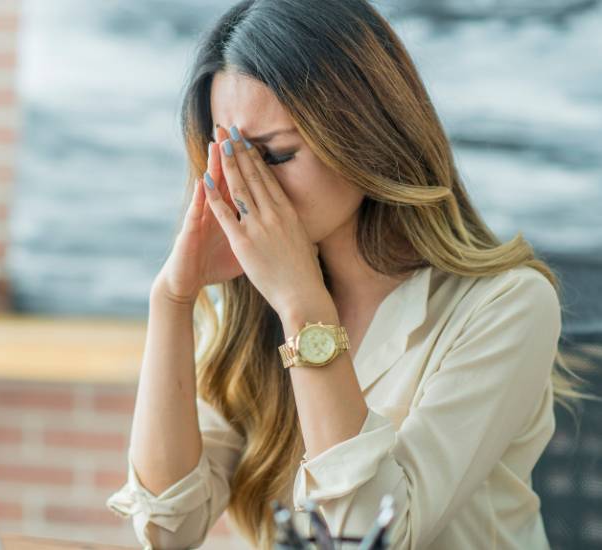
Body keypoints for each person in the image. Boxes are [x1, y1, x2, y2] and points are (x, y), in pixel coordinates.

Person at [105, 0, 592, 548]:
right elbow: (167, 528)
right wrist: (172, 298)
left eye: (276, 155)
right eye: (233, 158)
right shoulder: (247, 302)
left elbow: (372, 535)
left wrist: (301, 305)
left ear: (364, 136)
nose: (247, 189)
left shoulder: (506, 306)